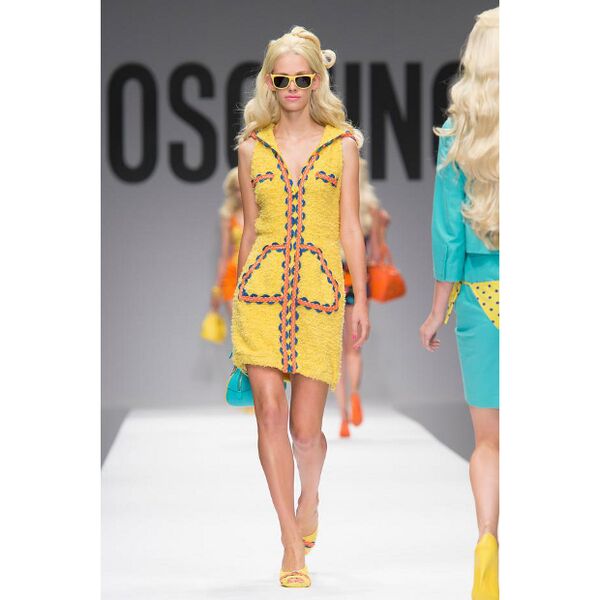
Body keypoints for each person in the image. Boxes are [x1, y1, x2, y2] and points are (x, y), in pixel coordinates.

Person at [231, 26, 370, 588]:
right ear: (268, 82)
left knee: (305, 430)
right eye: (282, 79)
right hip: (260, 294)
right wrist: (236, 293)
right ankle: (291, 542)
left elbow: (350, 228)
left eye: (302, 79)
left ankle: (309, 497)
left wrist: (360, 299)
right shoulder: (250, 147)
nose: (291, 88)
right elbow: (249, 229)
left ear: (317, 81)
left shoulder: (343, 146)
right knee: (268, 414)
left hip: (318, 296)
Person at [419, 8, 499, 600]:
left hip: (480, 297)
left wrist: (436, 311)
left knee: (489, 442)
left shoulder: (457, 132)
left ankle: (488, 541)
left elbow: (448, 234)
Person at [335, 158, 382, 437]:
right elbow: (375, 253)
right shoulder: (370, 209)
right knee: (354, 349)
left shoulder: (331, 203)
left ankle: (342, 417)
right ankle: (354, 394)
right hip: (358, 280)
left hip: (331, 281)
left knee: (336, 353)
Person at [211, 167, 244, 316]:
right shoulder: (228, 216)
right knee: (239, 325)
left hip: (258, 273)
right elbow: (224, 255)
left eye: (244, 187)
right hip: (233, 275)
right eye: (237, 189)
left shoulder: (262, 213)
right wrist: (217, 288)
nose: (241, 193)